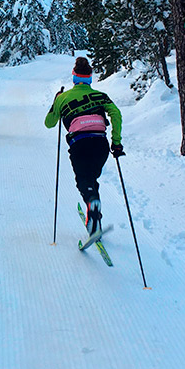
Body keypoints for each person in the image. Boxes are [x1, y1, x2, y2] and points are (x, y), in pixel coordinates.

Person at [44, 56, 124, 237]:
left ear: (74, 78)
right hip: (100, 143)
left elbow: (49, 123)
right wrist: (116, 143)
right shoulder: (101, 96)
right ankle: (95, 218)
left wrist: (56, 101)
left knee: (83, 181)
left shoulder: (63, 97)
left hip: (79, 142)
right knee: (91, 179)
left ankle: (93, 204)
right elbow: (116, 114)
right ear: (90, 78)